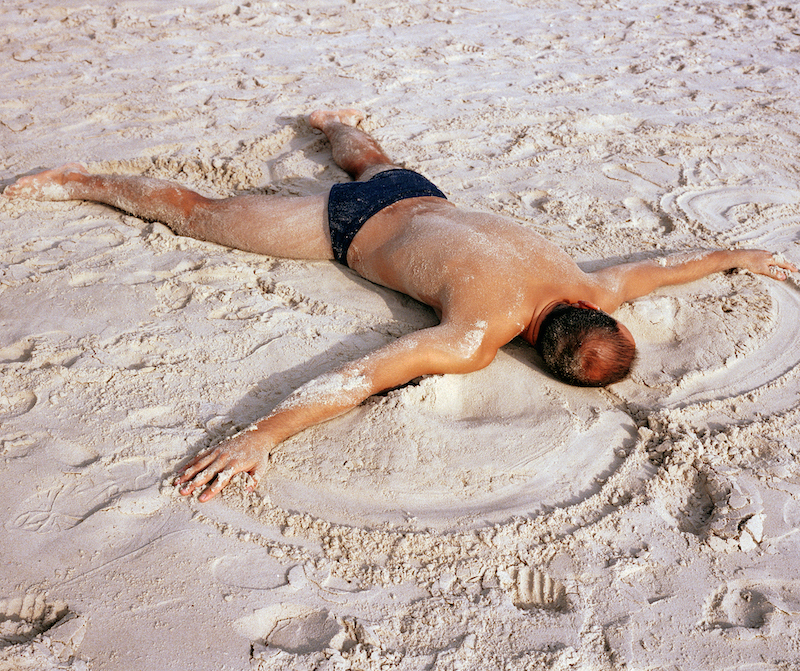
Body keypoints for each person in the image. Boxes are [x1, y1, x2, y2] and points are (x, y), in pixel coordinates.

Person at [4, 109, 796, 501]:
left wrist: (742, 256)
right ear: (538, 355)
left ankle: (332, 125)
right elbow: (355, 379)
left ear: (601, 319)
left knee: (368, 158)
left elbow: (667, 267)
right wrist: (260, 439)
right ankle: (80, 180)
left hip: (414, 191)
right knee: (197, 211)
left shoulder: (598, 285)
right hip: (345, 227)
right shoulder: (477, 336)